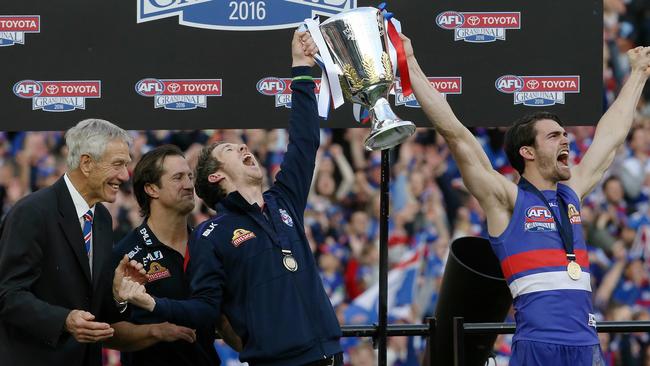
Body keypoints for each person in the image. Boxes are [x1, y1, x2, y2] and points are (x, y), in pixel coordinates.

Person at [403, 32, 650, 365]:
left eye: (565, 134)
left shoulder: (571, 193)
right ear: (527, 152)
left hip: (586, 347)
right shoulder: (507, 200)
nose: (566, 141)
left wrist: (638, 74)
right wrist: (409, 61)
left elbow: (611, 136)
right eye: (554, 136)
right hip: (537, 347)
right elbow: (455, 134)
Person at [117, 30, 344, 366]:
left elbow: (304, 141)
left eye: (241, 144)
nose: (242, 146)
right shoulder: (212, 235)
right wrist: (152, 304)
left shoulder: (284, 201)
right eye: (229, 149)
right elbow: (206, 308)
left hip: (331, 356)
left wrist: (301, 67)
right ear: (215, 176)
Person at [0, 119, 145, 366]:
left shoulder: (101, 217)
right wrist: (64, 320)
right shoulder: (32, 212)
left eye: (126, 165)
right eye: (118, 164)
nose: (124, 175)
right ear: (87, 163)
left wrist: (119, 296)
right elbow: (8, 295)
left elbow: (92, 305)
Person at [107, 144, 236, 365]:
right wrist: (155, 332)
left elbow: (221, 319)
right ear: (151, 189)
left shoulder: (209, 246)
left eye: (190, 176)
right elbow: (110, 330)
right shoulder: (125, 255)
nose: (189, 185)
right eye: (178, 178)